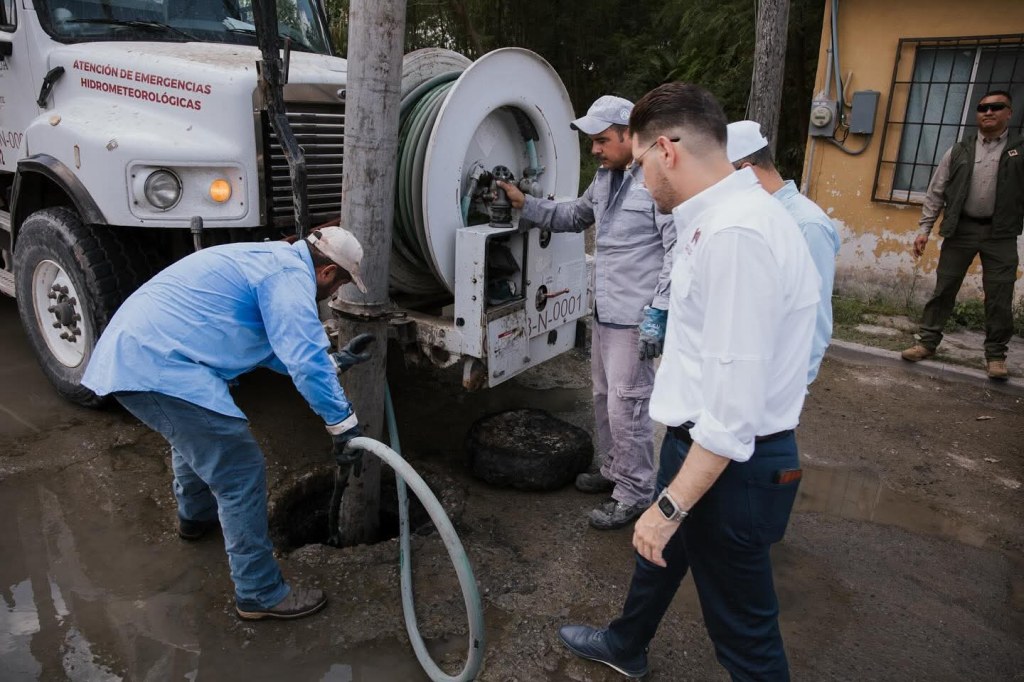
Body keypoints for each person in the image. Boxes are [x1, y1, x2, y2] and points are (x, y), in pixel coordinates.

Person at [558, 83, 820, 680]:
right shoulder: (721, 219)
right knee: (658, 562)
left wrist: (670, 504)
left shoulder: (736, 236)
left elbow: (732, 413)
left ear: (667, 151)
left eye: (644, 160)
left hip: (731, 464)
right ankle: (626, 644)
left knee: (746, 636)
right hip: (697, 447)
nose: (643, 178)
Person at [82, 227, 374, 621]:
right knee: (239, 470)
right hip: (157, 364)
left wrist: (335, 363)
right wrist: (343, 427)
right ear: (326, 274)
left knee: (196, 438)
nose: (333, 295)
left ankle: (196, 517)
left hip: (141, 352)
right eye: (338, 285)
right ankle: (259, 593)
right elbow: (303, 361)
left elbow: (277, 347)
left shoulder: (270, 259)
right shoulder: (287, 279)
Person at [496, 95, 676, 530]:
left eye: (601, 140)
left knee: (627, 406)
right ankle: (615, 470)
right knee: (603, 399)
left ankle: (635, 493)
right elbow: (574, 216)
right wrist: (526, 205)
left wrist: (662, 309)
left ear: (631, 136)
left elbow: (677, 251)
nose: (594, 149)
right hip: (606, 313)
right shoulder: (604, 181)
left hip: (636, 319)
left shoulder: (657, 182)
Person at [902, 90, 1023, 381]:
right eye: (983, 108)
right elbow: (937, 190)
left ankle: (996, 356)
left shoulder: (1020, 149)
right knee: (944, 288)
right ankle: (927, 342)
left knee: (999, 294)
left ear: (1009, 113)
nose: (988, 112)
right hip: (961, 229)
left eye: (996, 107)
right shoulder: (959, 150)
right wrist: (924, 229)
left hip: (1001, 233)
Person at [726, 119, 841, 383]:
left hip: (775, 383)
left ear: (747, 171)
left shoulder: (807, 225)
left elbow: (815, 320)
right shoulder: (752, 215)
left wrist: (793, 387)